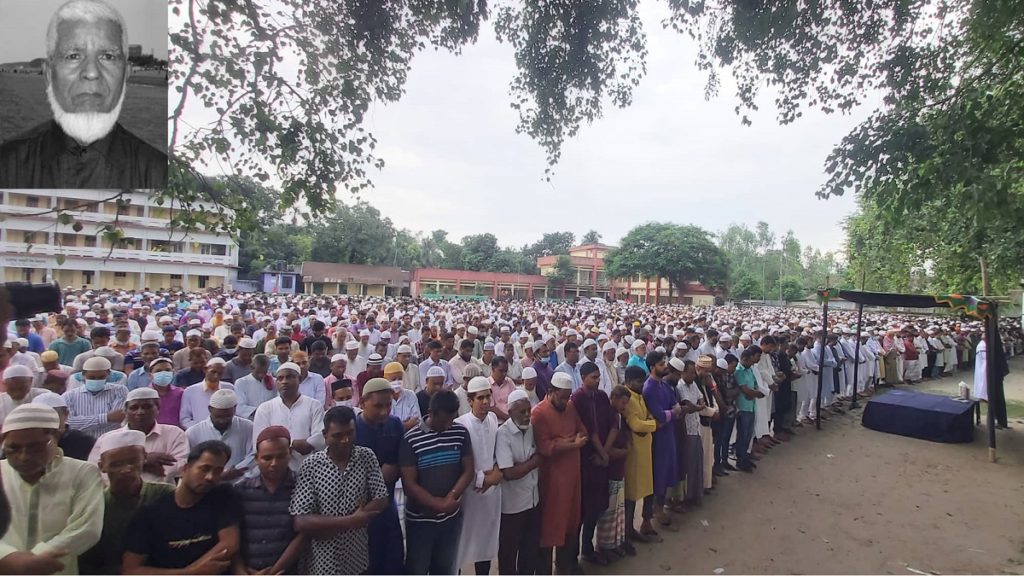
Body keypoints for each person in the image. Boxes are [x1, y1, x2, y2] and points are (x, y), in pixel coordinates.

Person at [0, 1, 167, 187]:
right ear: (48, 74)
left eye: (108, 56)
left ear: (125, 75)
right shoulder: (6, 166)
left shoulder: (161, 175)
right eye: (73, 56)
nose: (91, 72)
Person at [0, 403, 104, 575]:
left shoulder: (82, 472)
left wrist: (34, 560)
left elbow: (87, 529)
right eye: (13, 448)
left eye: (35, 447)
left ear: (56, 436)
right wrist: (10, 558)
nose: (23, 457)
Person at [290, 406, 389, 574]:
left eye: (350, 433)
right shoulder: (311, 465)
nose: (345, 440)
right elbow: (301, 520)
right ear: (325, 435)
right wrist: (351, 521)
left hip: (356, 558)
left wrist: (330, 526)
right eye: (338, 435)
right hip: (322, 563)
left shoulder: (366, 457)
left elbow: (381, 498)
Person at [122, 441, 241, 574]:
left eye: (218, 471)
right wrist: (190, 572)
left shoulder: (222, 497)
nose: (210, 477)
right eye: (204, 469)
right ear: (185, 469)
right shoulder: (150, 514)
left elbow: (230, 543)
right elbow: (131, 570)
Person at [78, 429, 175, 575]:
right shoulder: (95, 504)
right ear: (102, 466)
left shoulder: (165, 495)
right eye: (116, 464)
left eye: (133, 462)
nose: (126, 469)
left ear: (144, 458)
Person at [400, 390, 475, 575]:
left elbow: (468, 470)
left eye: (451, 420)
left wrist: (451, 497)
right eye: (443, 421)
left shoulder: (460, 432)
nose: (447, 425)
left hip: (450, 519)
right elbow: (410, 485)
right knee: (417, 569)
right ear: (431, 413)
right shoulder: (411, 439)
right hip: (421, 521)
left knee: (445, 568)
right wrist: (439, 504)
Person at [532, 371, 587, 575]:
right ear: (551, 391)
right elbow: (546, 447)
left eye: (568, 396)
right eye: (562, 397)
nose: (566, 401)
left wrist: (566, 441)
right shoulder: (539, 413)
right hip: (552, 481)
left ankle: (564, 568)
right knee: (549, 527)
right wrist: (572, 443)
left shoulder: (570, 406)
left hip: (573, 477)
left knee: (570, 524)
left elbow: (583, 431)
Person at [234, 426, 304, 575]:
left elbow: (304, 536)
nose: (274, 463)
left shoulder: (303, 487)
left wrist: (274, 572)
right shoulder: (241, 490)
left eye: (281, 456)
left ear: (290, 454)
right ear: (256, 458)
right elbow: (231, 537)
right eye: (267, 458)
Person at [354, 377, 406, 575]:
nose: (384, 411)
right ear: (362, 403)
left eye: (388, 406)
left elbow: (404, 462)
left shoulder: (395, 425)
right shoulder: (352, 430)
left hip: (387, 505)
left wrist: (396, 468)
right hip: (359, 511)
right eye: (378, 406)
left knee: (393, 560)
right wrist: (378, 475)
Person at [455, 376, 503, 575]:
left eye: (487, 397)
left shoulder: (493, 419)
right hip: (469, 495)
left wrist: (496, 474)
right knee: (461, 544)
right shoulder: (460, 425)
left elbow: (496, 452)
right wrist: (483, 479)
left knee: (486, 544)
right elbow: (459, 464)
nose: (485, 402)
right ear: (470, 401)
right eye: (480, 398)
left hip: (491, 494)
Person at [90, 386, 188, 483]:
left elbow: (180, 465)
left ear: (158, 408)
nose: (140, 412)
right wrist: (144, 461)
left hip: (162, 491)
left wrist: (123, 466)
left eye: (147, 407)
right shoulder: (107, 439)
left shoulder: (173, 433)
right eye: (134, 408)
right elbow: (94, 469)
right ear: (125, 411)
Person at [496, 388, 541, 575]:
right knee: (508, 553)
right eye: (522, 412)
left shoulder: (531, 428)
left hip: (533, 500)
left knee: (529, 551)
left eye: (528, 411)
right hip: (512, 506)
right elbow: (509, 473)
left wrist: (524, 466)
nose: (527, 415)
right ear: (510, 412)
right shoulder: (503, 434)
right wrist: (533, 463)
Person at [572, 361, 613, 566]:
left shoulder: (602, 396)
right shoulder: (577, 398)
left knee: (596, 507)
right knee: (582, 510)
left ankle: (588, 549)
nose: (597, 381)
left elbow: (613, 424)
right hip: (586, 460)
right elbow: (588, 430)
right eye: (593, 378)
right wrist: (602, 454)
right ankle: (574, 556)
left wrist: (605, 453)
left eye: (598, 377)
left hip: (602, 459)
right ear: (583, 378)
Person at [252, 362, 326, 472]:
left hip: (309, 468)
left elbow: (320, 437)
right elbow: (259, 442)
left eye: (289, 377)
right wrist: (292, 444)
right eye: (280, 378)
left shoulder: (314, 405)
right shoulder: (265, 408)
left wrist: (308, 444)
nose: (284, 382)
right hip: (276, 470)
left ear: (299, 379)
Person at [621, 365, 659, 542]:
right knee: (631, 495)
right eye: (638, 382)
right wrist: (654, 425)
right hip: (634, 453)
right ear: (628, 382)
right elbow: (636, 425)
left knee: (646, 489)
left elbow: (648, 417)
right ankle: (627, 532)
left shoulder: (640, 395)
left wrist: (648, 424)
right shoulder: (627, 398)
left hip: (645, 449)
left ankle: (643, 524)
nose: (642, 384)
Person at [185, 389, 254, 483]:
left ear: (235, 409)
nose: (222, 421)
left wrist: (236, 470)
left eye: (227, 416)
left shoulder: (248, 427)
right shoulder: (193, 432)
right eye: (218, 417)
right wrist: (216, 474)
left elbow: (253, 454)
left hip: (239, 483)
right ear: (210, 409)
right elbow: (189, 462)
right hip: (205, 485)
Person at [598, 385, 634, 559]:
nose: (624, 406)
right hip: (610, 470)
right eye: (622, 402)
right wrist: (624, 452)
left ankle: (616, 543)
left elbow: (626, 438)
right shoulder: (606, 416)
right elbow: (607, 449)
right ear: (613, 398)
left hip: (620, 469)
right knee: (609, 512)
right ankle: (605, 546)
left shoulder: (619, 417)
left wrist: (627, 448)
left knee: (618, 509)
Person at [63, 355, 128, 439]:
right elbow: (69, 424)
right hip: (80, 443)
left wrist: (81, 422)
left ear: (108, 374)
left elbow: (117, 419)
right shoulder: (69, 396)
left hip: (110, 440)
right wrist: (106, 417)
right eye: (92, 377)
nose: (96, 380)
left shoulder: (120, 391)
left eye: (101, 377)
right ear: (83, 374)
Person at [33, 391, 95, 460]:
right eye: (41, 417)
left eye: (52, 416)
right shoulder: (30, 441)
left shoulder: (85, 441)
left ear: (66, 414)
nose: (47, 422)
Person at [180, 357, 235, 429]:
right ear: (205, 369)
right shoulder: (190, 391)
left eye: (220, 373)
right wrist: (201, 429)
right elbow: (185, 419)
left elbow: (235, 413)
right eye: (213, 372)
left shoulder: (229, 388)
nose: (216, 376)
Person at [734, 348, 764, 472]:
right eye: (751, 360)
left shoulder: (749, 369)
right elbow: (745, 389)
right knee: (742, 434)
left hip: (751, 405)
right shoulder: (739, 371)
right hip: (743, 407)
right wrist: (756, 394)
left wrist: (754, 393)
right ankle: (740, 460)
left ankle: (745, 457)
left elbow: (755, 385)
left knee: (748, 435)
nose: (753, 363)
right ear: (745, 359)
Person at [233, 354, 277, 420]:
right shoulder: (241, 382)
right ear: (251, 367)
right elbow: (240, 407)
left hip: (271, 417)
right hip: (251, 419)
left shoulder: (274, 381)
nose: (261, 375)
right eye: (258, 372)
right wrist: (261, 412)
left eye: (264, 372)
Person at [148, 357, 184, 428]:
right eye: (158, 371)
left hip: (176, 432)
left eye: (167, 370)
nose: (163, 373)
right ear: (150, 375)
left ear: (173, 373)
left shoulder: (180, 393)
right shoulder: (145, 395)